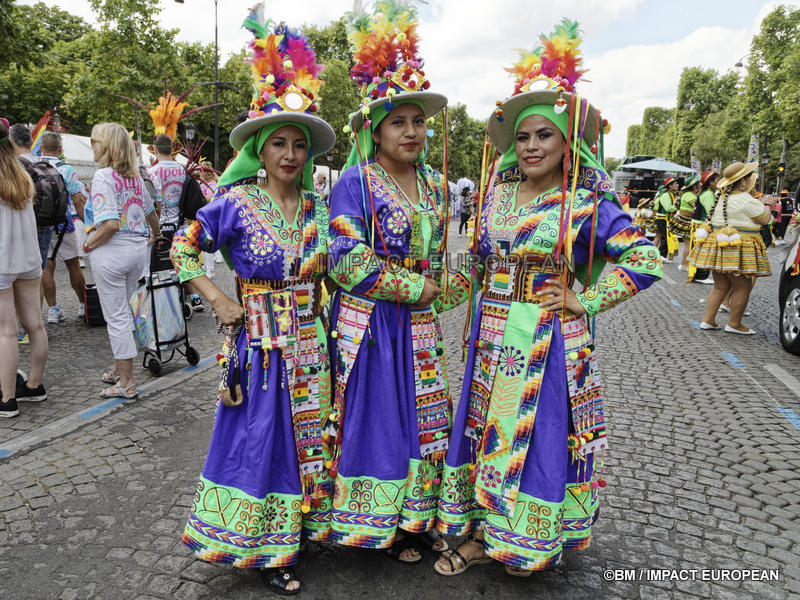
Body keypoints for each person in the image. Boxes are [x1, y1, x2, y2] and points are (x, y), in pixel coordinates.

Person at [433, 19, 662, 577]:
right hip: (491, 335)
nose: (532, 145)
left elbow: (645, 259)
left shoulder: (585, 200)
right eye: (525, 136)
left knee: (533, 436)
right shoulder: (498, 192)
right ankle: (483, 532)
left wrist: (587, 300)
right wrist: (430, 296)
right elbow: (482, 263)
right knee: (487, 427)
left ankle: (524, 540)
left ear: (568, 142)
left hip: (543, 337)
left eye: (546, 135)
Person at [172, 12, 336, 595]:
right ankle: (262, 548)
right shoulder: (236, 204)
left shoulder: (319, 210)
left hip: (311, 342)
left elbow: (339, 269)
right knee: (260, 437)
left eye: (298, 144)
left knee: (306, 434)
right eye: (278, 144)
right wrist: (216, 295)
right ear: (261, 151)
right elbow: (182, 248)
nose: (290, 154)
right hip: (260, 342)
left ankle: (298, 530)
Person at [326, 1, 466, 564]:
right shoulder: (354, 182)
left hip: (421, 323)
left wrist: (455, 281)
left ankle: (417, 517)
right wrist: (414, 289)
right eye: (398, 122)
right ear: (375, 130)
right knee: (380, 418)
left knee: (426, 416)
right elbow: (344, 260)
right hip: (371, 323)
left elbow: (445, 249)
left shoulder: (435, 182)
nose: (411, 131)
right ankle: (375, 520)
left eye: (418, 120)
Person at [85, 122, 160, 397]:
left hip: (112, 250)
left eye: (95, 141)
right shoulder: (134, 177)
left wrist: (88, 243)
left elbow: (110, 224)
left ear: (106, 146)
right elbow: (152, 212)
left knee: (116, 316)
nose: (92, 146)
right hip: (137, 251)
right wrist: (156, 235)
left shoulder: (103, 176)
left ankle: (126, 382)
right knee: (127, 313)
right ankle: (120, 368)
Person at [0, 117, 49, 417]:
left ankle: (7, 398)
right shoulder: (22, 174)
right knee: (35, 324)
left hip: (3, 260)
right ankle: (34, 384)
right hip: (28, 258)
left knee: (6, 330)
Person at [690, 161, 771, 334]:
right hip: (738, 245)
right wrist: (769, 205)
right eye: (750, 178)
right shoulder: (745, 199)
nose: (752, 181)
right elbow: (765, 219)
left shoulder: (721, 198)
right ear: (742, 182)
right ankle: (734, 324)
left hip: (719, 244)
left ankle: (708, 320)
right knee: (743, 286)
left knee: (720, 286)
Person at [147, 134, 205, 312]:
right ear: (172, 149)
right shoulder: (182, 170)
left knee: (159, 266)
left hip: (157, 227)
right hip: (179, 225)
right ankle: (193, 297)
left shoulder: (151, 172)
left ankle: (166, 301)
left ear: (155, 149)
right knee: (181, 261)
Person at [39, 132, 88, 322]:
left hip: (42, 224)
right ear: (60, 150)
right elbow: (78, 200)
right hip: (63, 224)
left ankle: (53, 309)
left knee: (47, 268)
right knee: (73, 265)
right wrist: (89, 225)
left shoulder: (33, 166)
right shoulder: (66, 169)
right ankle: (84, 305)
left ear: (41, 148)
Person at [9, 124, 58, 274]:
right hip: (45, 226)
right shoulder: (44, 163)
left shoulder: (15, 165)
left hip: (22, 228)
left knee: (20, 278)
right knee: (38, 274)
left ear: (11, 141)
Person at [691, 170, 718, 284]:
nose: (720, 182)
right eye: (717, 180)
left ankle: (700, 275)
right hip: (701, 225)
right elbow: (711, 211)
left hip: (701, 224)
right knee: (703, 249)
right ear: (710, 182)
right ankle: (701, 275)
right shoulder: (707, 194)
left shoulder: (708, 193)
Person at [675, 175, 700, 271]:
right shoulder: (689, 195)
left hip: (687, 220)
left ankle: (685, 263)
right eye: (698, 184)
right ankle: (684, 264)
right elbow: (696, 206)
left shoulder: (690, 194)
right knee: (689, 244)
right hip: (686, 221)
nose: (700, 185)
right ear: (694, 186)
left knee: (690, 244)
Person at [653, 177, 679, 262]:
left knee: (665, 237)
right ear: (670, 186)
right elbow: (668, 208)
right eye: (675, 183)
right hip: (662, 219)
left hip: (666, 218)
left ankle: (662, 255)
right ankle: (660, 255)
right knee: (665, 237)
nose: (677, 185)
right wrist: (676, 207)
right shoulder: (665, 195)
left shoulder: (671, 194)